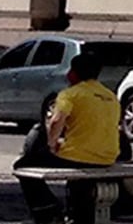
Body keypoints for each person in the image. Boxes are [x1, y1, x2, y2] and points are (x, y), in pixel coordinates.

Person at [16, 52, 120, 224]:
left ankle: (48, 212)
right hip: (107, 158)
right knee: (79, 181)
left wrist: (51, 145)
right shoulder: (110, 96)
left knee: (23, 166)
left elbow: (56, 121)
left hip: (78, 157)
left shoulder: (70, 94)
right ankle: (80, 216)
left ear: (74, 73)